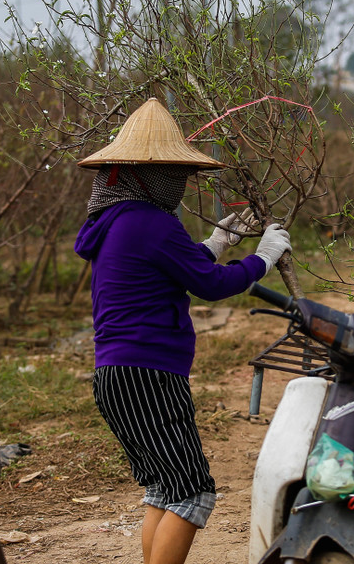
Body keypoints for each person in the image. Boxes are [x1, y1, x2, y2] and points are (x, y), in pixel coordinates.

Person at [73, 98, 290, 564]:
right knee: (193, 494)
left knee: (165, 490)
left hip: (117, 374)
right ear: (142, 173)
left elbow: (173, 266)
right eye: (170, 171)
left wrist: (215, 242)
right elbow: (211, 286)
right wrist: (263, 259)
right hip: (147, 373)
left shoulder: (115, 222)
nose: (177, 182)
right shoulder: (151, 221)